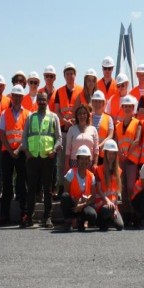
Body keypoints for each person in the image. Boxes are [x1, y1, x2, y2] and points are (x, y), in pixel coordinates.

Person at [21, 92, 62, 229]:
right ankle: (29, 217)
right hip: (33, 157)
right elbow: (25, 136)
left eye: (44, 100)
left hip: (47, 158)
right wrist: (27, 152)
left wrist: (54, 150)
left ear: (47, 100)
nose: (42, 102)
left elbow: (59, 138)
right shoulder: (30, 117)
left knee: (47, 189)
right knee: (31, 188)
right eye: (39, 100)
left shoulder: (53, 117)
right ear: (36, 101)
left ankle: (48, 217)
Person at [0, 85, 29, 225]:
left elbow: (27, 135)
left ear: (23, 97)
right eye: (14, 96)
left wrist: (19, 149)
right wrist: (10, 150)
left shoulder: (28, 114)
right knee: (7, 184)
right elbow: (2, 134)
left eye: (19, 96)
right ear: (12, 97)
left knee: (22, 184)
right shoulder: (5, 113)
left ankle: (24, 214)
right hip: (7, 153)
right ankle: (4, 215)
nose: (16, 98)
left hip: (21, 153)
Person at [54, 62, 81, 195]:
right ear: (64, 76)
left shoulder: (81, 90)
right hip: (64, 130)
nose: (70, 76)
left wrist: (75, 121)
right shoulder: (59, 91)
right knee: (61, 161)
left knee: (75, 159)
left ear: (75, 75)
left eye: (72, 73)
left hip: (76, 130)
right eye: (67, 74)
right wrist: (64, 121)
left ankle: (75, 186)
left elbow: (83, 110)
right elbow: (57, 111)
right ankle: (61, 186)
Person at [115, 95, 142, 215]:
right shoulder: (117, 126)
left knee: (131, 187)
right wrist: (120, 154)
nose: (127, 108)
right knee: (123, 188)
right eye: (125, 106)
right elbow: (116, 142)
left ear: (133, 108)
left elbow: (137, 140)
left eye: (129, 106)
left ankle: (134, 211)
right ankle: (126, 213)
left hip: (131, 159)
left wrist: (127, 153)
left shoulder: (137, 123)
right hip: (121, 160)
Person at [61, 145, 97, 232]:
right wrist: (76, 202)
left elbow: (93, 198)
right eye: (82, 158)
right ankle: (68, 222)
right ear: (77, 160)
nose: (84, 161)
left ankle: (81, 221)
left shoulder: (91, 176)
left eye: (86, 159)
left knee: (93, 215)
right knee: (64, 196)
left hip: (84, 205)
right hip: (73, 205)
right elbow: (66, 193)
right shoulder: (71, 173)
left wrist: (82, 205)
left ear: (89, 160)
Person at [94, 140, 125, 231]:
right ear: (105, 154)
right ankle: (100, 220)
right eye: (109, 154)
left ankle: (108, 219)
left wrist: (115, 209)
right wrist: (107, 201)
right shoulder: (99, 170)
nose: (111, 156)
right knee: (108, 210)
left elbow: (116, 193)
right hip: (101, 205)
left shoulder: (118, 171)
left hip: (112, 206)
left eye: (113, 154)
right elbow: (99, 190)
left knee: (120, 226)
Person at [65, 104, 99, 173]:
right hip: (74, 162)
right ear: (77, 116)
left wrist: (95, 163)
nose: (82, 116)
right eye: (79, 114)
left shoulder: (93, 129)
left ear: (88, 115)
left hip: (89, 163)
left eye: (84, 113)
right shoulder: (71, 129)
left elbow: (96, 149)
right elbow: (68, 149)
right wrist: (66, 164)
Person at [91, 90, 114, 165]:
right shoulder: (88, 117)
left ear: (104, 103)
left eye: (100, 101)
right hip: (90, 153)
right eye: (96, 101)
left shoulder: (108, 118)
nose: (97, 104)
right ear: (93, 102)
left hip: (103, 154)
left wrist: (100, 146)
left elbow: (110, 135)